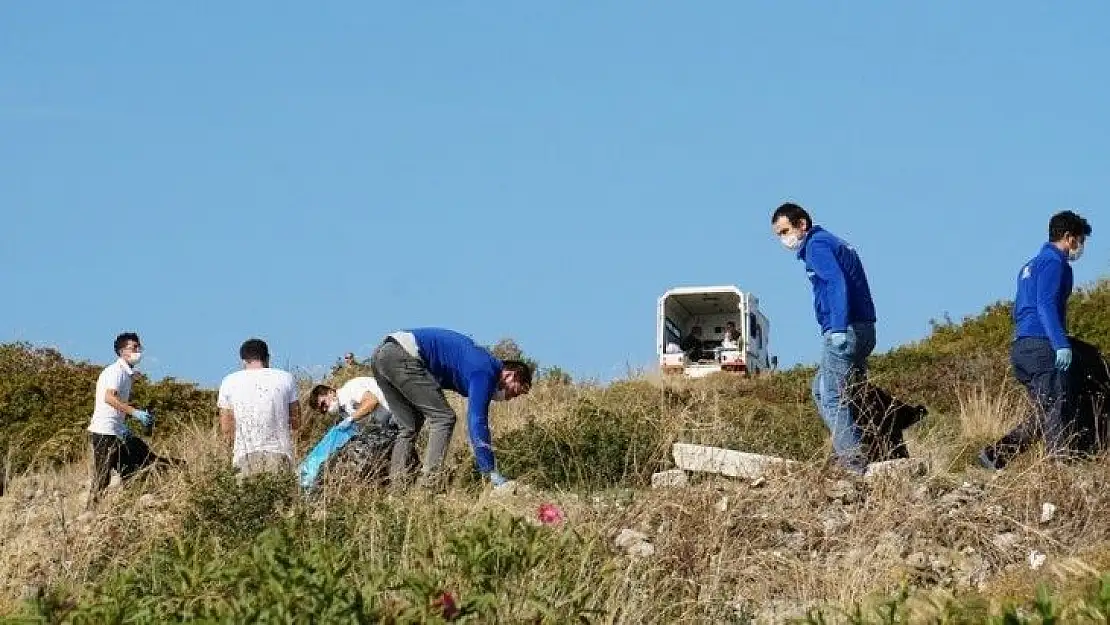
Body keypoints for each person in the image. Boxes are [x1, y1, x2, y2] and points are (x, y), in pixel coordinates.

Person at [979, 210, 1092, 470]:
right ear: (1068, 237)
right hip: (1043, 346)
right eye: (1080, 240)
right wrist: (1061, 344)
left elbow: (1019, 307)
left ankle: (996, 456)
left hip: (1022, 346)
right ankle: (1058, 466)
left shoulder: (1029, 266)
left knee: (1044, 410)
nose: (1080, 247)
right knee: (1058, 405)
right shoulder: (1055, 263)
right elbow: (1045, 304)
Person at [772, 202, 877, 473]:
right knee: (824, 389)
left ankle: (853, 462)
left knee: (831, 394)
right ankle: (859, 447)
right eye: (779, 235)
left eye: (785, 231)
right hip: (863, 328)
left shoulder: (817, 246)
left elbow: (835, 282)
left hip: (846, 329)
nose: (783, 239)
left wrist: (839, 327)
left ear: (802, 225)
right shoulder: (832, 242)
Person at [368, 327, 533, 489]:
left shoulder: (479, 362)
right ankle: (428, 486)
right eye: (516, 390)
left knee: (409, 425)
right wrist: (490, 470)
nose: (512, 397)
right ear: (509, 374)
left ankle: (397, 490)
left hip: (382, 355)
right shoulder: (486, 370)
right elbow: (477, 420)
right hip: (402, 356)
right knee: (444, 418)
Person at [85, 332, 180, 508]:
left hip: (117, 430)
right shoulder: (116, 372)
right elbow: (109, 398)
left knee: (140, 460)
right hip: (104, 432)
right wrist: (135, 413)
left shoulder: (127, 374)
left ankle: (130, 505)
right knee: (103, 476)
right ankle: (90, 514)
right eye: (134, 347)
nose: (138, 351)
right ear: (122, 351)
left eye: (139, 347)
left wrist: (124, 425)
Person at [216, 338, 301, 477]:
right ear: (267, 358)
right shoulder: (286, 378)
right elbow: (296, 420)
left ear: (243, 360)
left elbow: (226, 428)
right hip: (279, 453)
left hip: (244, 455)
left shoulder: (229, 381)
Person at [307, 376, 394, 429]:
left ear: (331, 392)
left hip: (397, 412)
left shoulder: (350, 389)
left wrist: (351, 419)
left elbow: (371, 401)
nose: (325, 408)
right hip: (388, 423)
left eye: (323, 404)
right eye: (323, 410)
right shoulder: (343, 411)